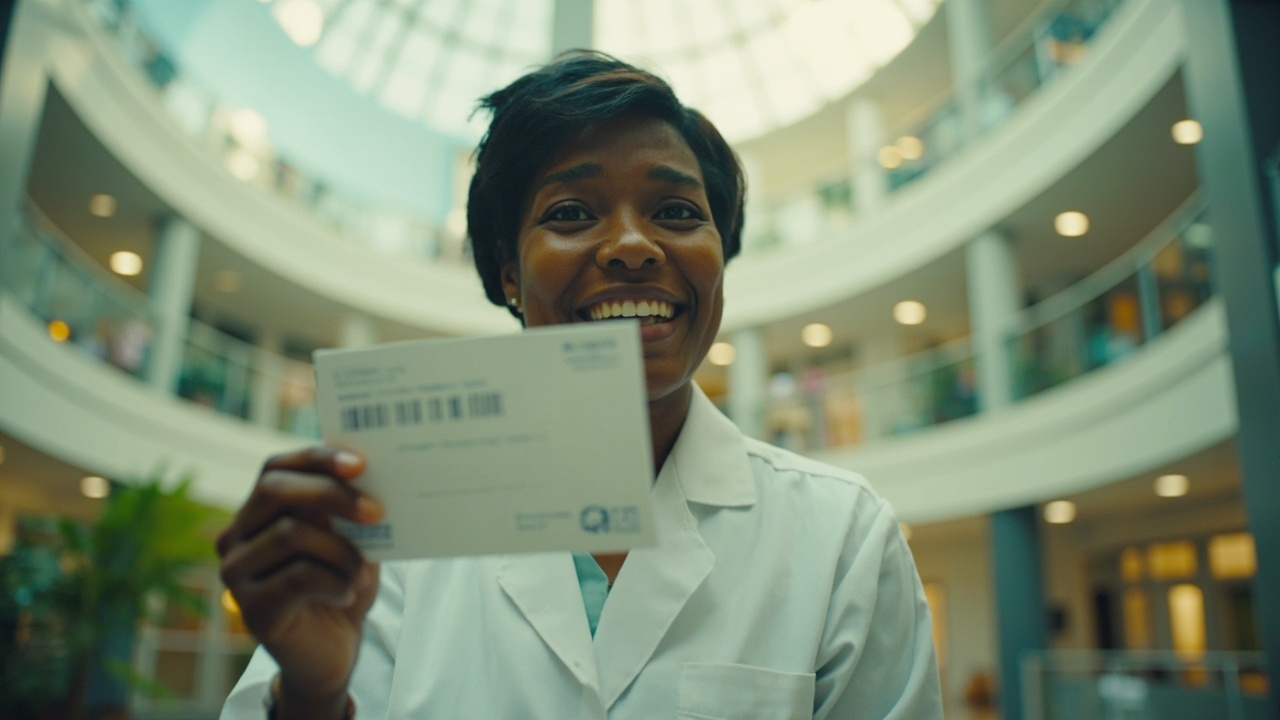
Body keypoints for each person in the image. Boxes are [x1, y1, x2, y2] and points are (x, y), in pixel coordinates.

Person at [218, 52, 942, 720]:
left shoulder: (842, 539)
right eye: (570, 214)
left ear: (721, 254)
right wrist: (309, 695)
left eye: (678, 213)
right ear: (509, 271)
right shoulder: (392, 532)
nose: (632, 246)